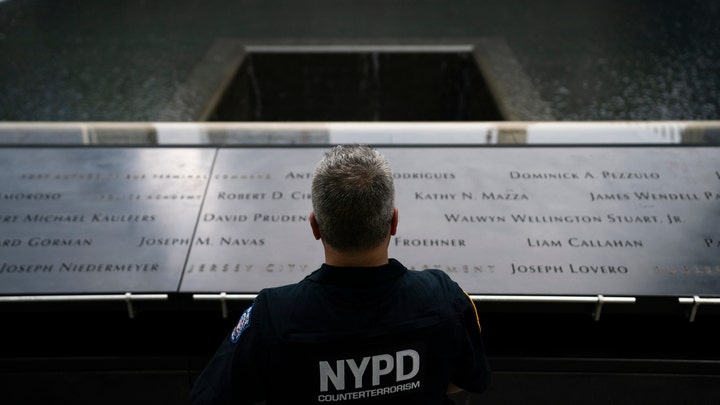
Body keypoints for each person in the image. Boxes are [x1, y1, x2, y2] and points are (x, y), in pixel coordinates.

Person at [191, 144, 491, 404]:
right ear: (394, 222)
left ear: (315, 227)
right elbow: (466, 380)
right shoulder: (444, 298)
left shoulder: (273, 315)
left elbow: (209, 396)